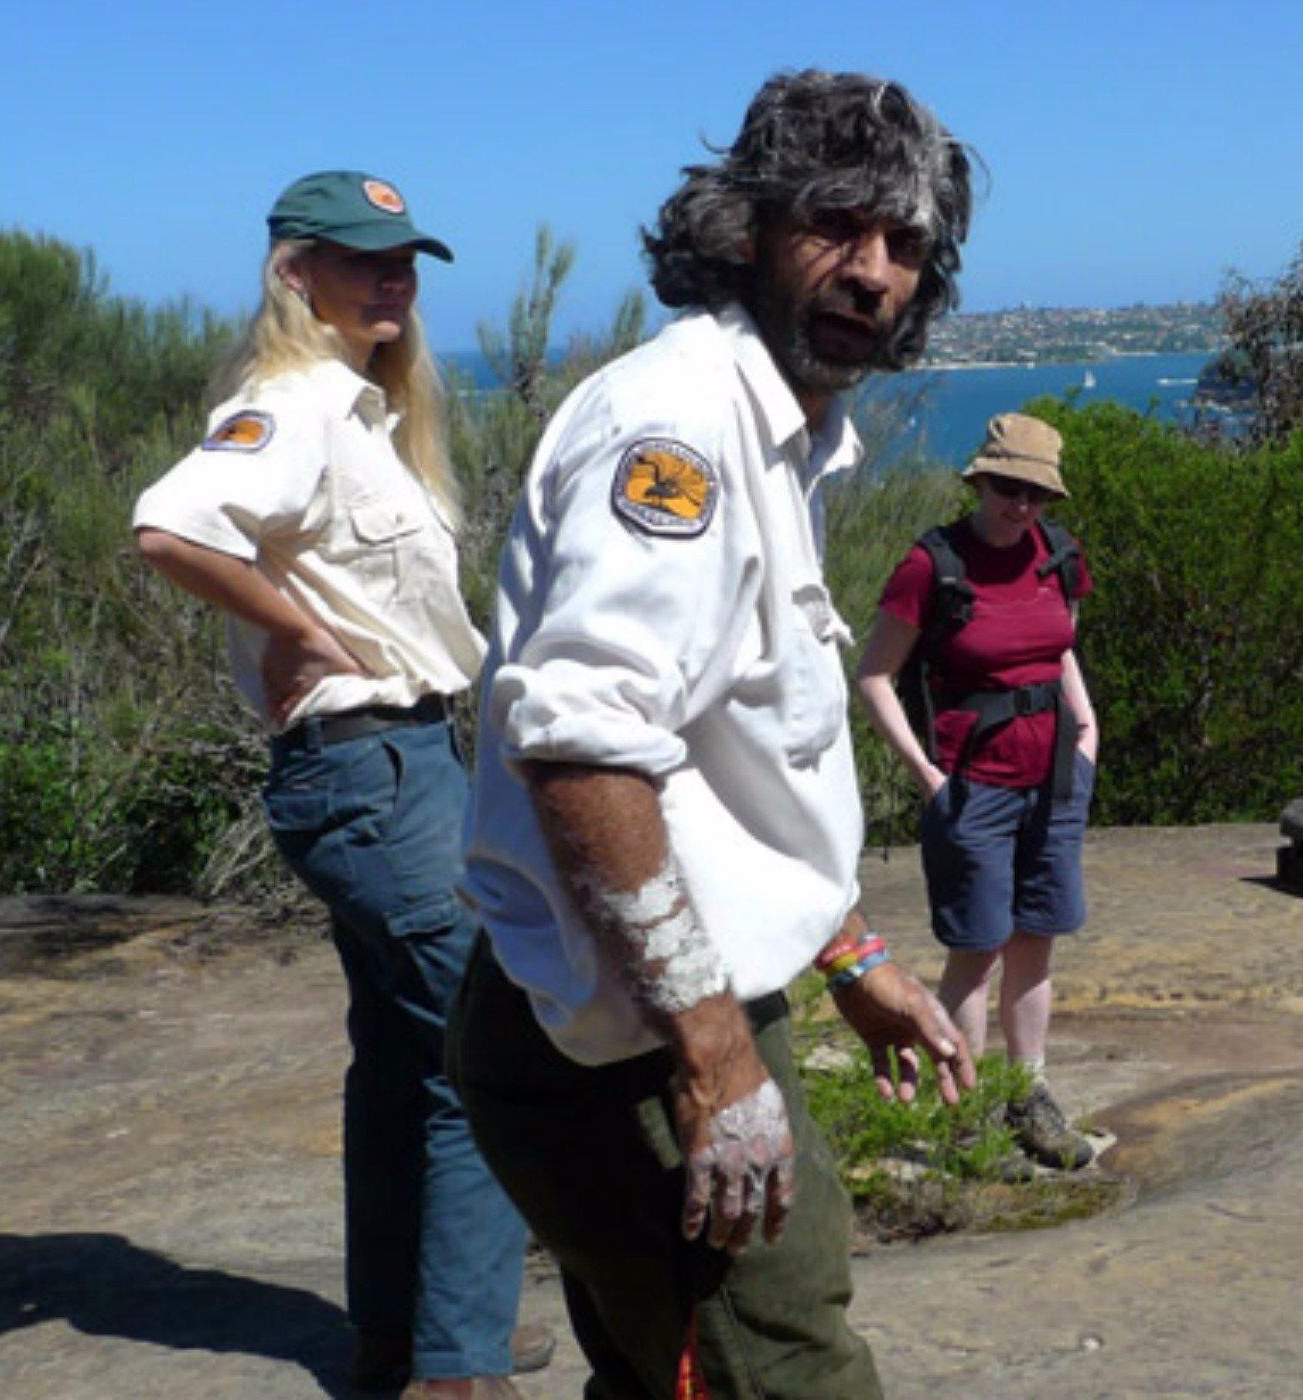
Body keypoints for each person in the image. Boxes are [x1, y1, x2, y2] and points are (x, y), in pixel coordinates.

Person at [451, 71, 979, 1400]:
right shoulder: (676, 427)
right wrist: (714, 1057)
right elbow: (579, 739)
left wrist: (846, 953)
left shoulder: (786, 432)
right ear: (744, 229)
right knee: (779, 1369)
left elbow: (739, 762)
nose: (871, 273)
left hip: (664, 1013)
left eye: (904, 245)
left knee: (658, 1374)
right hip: (632, 1047)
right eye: (836, 225)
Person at [130, 172, 544, 1399]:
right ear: (292, 273)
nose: (393, 278)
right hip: (368, 765)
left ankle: (400, 1336)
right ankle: (459, 1370)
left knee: (403, 1064)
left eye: (405, 258)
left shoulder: (369, 413)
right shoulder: (297, 401)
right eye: (362, 258)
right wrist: (297, 635)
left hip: (404, 763)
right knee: (483, 1055)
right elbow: (171, 525)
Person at [853, 412, 1100, 1171]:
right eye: (1004, 487)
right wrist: (929, 778)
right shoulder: (934, 566)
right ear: (978, 480)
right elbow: (874, 676)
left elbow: (1059, 646)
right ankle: (971, 1116)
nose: (1017, 505)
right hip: (973, 787)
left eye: (1033, 493)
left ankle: (1028, 1097)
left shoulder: (1058, 557)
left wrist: (1086, 732)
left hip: (1054, 778)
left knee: (1037, 940)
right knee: (977, 949)